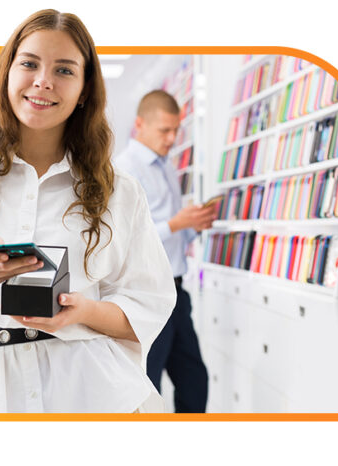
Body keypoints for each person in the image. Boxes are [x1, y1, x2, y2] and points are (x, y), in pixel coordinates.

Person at [0, 9, 176, 413]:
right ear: (7, 71)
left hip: (93, 394)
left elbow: (150, 303)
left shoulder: (119, 190)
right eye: (29, 63)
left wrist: (82, 311)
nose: (43, 80)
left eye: (64, 70)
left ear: (84, 90)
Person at [114, 89, 216, 413]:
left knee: (193, 379)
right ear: (140, 125)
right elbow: (125, 241)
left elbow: (168, 233)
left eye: (176, 130)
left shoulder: (167, 167)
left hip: (176, 290)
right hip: (144, 293)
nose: (172, 138)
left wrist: (189, 227)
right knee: (148, 382)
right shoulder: (124, 170)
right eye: (164, 130)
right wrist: (174, 224)